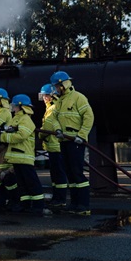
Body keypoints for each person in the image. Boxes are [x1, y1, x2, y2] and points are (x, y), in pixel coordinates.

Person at [49, 70, 95, 216]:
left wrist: (81, 135)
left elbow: (89, 117)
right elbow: (54, 118)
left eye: (56, 86)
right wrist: (57, 129)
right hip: (64, 141)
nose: (55, 89)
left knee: (77, 173)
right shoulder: (60, 101)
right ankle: (75, 204)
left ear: (63, 84)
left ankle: (84, 205)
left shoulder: (78, 98)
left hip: (76, 141)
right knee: (70, 173)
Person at [0, 94, 48, 215]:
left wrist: (3, 136)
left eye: (14, 105)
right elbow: (12, 130)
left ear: (21, 107)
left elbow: (21, 136)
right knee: (22, 184)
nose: (12, 107)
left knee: (32, 182)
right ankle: (24, 204)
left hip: (24, 157)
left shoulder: (26, 119)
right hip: (17, 157)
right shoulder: (16, 118)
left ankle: (38, 205)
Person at [38, 83, 68, 210]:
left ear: (51, 96)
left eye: (45, 96)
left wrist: (40, 135)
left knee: (58, 175)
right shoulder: (52, 107)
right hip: (53, 147)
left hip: (56, 148)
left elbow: (47, 128)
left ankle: (60, 199)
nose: (43, 98)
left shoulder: (52, 108)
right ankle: (57, 198)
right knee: (56, 175)